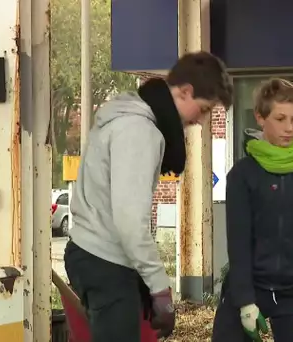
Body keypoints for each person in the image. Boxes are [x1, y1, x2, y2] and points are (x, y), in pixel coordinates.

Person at [63, 51, 233, 342]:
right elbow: (130, 221)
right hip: (108, 262)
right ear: (185, 92)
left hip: (94, 256)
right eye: (204, 109)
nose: (201, 121)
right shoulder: (140, 132)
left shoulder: (123, 120)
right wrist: (159, 288)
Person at [212, 78, 293, 342]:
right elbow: (238, 242)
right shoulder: (242, 175)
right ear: (260, 117)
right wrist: (244, 302)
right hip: (249, 287)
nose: (289, 128)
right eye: (280, 118)